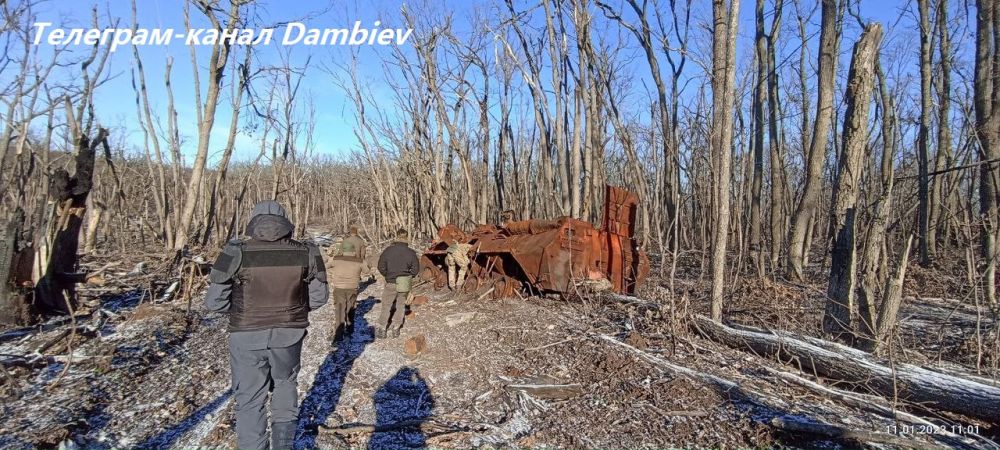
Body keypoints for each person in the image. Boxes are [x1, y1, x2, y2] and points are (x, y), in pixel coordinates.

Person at [204, 200, 329, 450]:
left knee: (250, 398)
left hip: (246, 335)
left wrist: (243, 311)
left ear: (253, 221)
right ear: (286, 221)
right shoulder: (307, 251)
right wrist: (293, 310)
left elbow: (214, 302)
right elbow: (319, 297)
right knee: (285, 384)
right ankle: (283, 446)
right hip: (289, 333)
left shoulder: (235, 251)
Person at [376, 228, 419, 339]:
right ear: (407, 237)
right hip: (404, 282)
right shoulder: (411, 252)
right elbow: (415, 269)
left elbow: (380, 266)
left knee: (386, 306)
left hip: (391, 282)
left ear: (397, 236)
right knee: (400, 305)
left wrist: (387, 275)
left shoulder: (388, 250)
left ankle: (382, 329)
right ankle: (396, 328)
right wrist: (409, 276)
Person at [327, 237, 364, 347]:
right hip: (353, 288)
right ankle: (350, 329)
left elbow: (326, 266)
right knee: (351, 308)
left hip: (339, 288)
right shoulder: (359, 261)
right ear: (353, 250)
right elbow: (367, 270)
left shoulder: (336, 259)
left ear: (343, 249)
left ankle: (339, 335)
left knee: (339, 309)